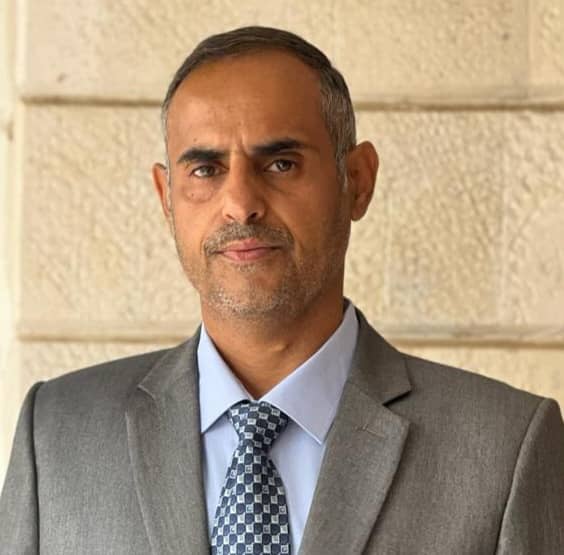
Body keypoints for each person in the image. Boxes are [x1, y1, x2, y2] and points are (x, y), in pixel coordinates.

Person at [1, 26, 563, 555]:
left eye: (280, 163)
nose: (240, 203)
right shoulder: (55, 435)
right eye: (205, 170)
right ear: (165, 196)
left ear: (358, 181)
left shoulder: (505, 448)